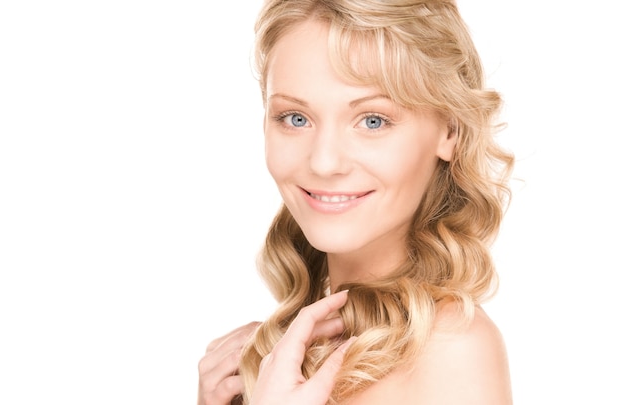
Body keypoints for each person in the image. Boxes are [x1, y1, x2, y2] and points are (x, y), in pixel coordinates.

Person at [198, 0, 514, 403]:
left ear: (449, 129)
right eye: (296, 118)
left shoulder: (454, 348)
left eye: (372, 121)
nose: (324, 162)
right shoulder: (286, 349)